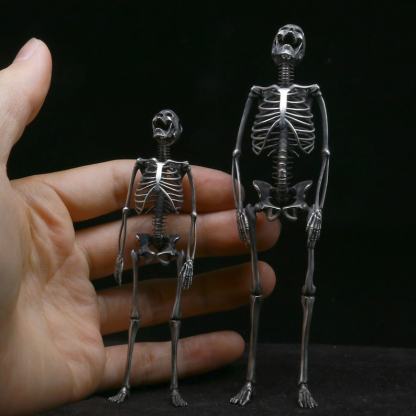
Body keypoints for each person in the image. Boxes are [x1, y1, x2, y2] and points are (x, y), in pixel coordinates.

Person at [0, 38, 278, 415]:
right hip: (143, 240)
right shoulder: (142, 168)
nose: (163, 129)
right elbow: (127, 210)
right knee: (135, 308)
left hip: (173, 239)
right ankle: (127, 383)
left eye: (168, 125)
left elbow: (194, 213)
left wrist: (190, 259)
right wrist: (119, 255)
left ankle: (173, 385)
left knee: (174, 306)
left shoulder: (180, 171)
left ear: (175, 132)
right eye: (159, 124)